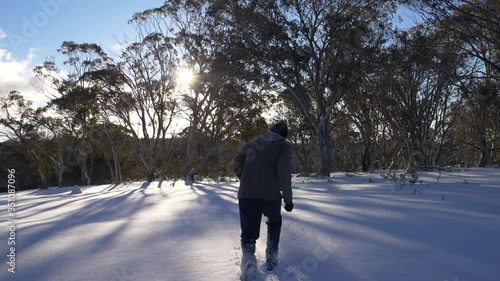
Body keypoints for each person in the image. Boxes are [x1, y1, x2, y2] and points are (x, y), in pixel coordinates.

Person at [232, 123, 294, 272]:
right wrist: (288, 200)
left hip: (247, 195)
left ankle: (249, 262)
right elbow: (284, 174)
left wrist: (246, 179)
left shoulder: (252, 144)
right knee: (274, 223)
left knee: (248, 231)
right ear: (284, 135)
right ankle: (271, 257)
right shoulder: (283, 147)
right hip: (270, 196)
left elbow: (236, 164)